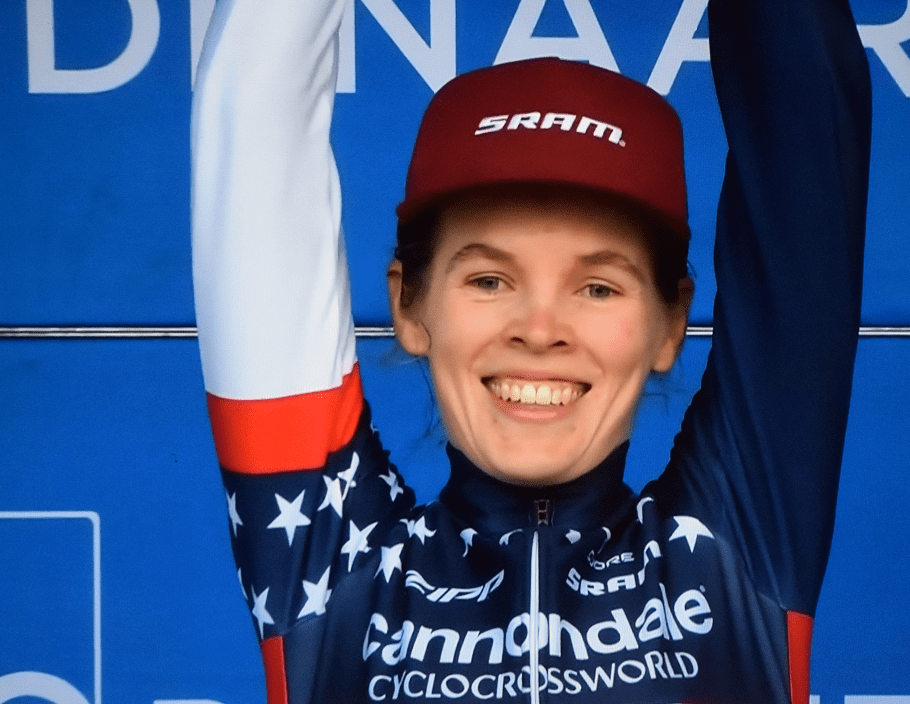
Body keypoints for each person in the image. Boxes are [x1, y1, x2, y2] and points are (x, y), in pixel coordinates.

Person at [191, 0, 871, 702]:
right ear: (409, 305)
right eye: (489, 280)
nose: (540, 329)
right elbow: (253, 114)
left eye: (598, 287)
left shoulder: (735, 546)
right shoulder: (334, 570)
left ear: (670, 322)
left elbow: (804, 124)